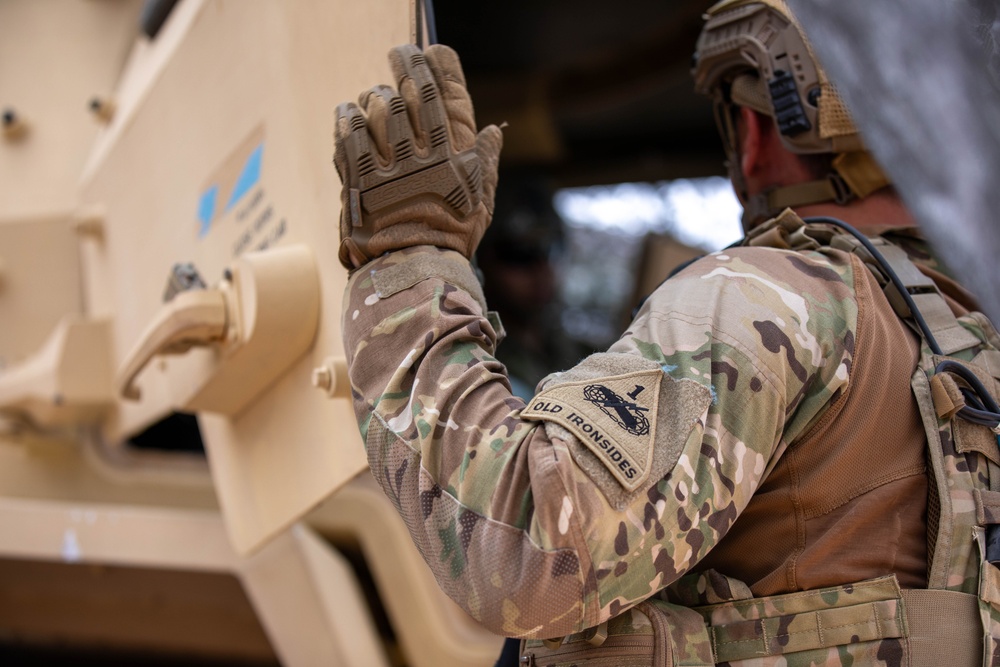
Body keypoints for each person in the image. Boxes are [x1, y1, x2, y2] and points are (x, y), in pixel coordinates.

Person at [334, 2, 1000, 664]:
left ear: (754, 130)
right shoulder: (972, 326)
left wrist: (407, 265)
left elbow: (533, 551)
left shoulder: (771, 300)